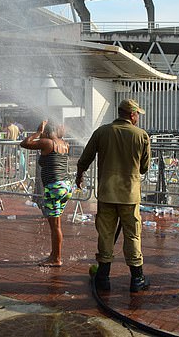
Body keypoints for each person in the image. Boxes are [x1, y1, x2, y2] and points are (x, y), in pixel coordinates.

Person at [76, 99, 151, 293]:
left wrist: (79, 176)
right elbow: (144, 168)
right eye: (137, 115)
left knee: (106, 235)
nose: (138, 119)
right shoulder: (141, 136)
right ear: (132, 115)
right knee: (132, 235)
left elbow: (85, 158)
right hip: (129, 196)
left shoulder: (102, 132)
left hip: (106, 194)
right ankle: (137, 279)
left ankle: (103, 278)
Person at [21, 120, 71, 267]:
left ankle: (57, 259)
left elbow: (25, 143)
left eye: (43, 133)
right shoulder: (64, 144)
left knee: (55, 226)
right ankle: (54, 255)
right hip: (65, 186)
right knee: (57, 223)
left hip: (54, 187)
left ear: (47, 132)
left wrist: (37, 132)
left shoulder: (48, 143)